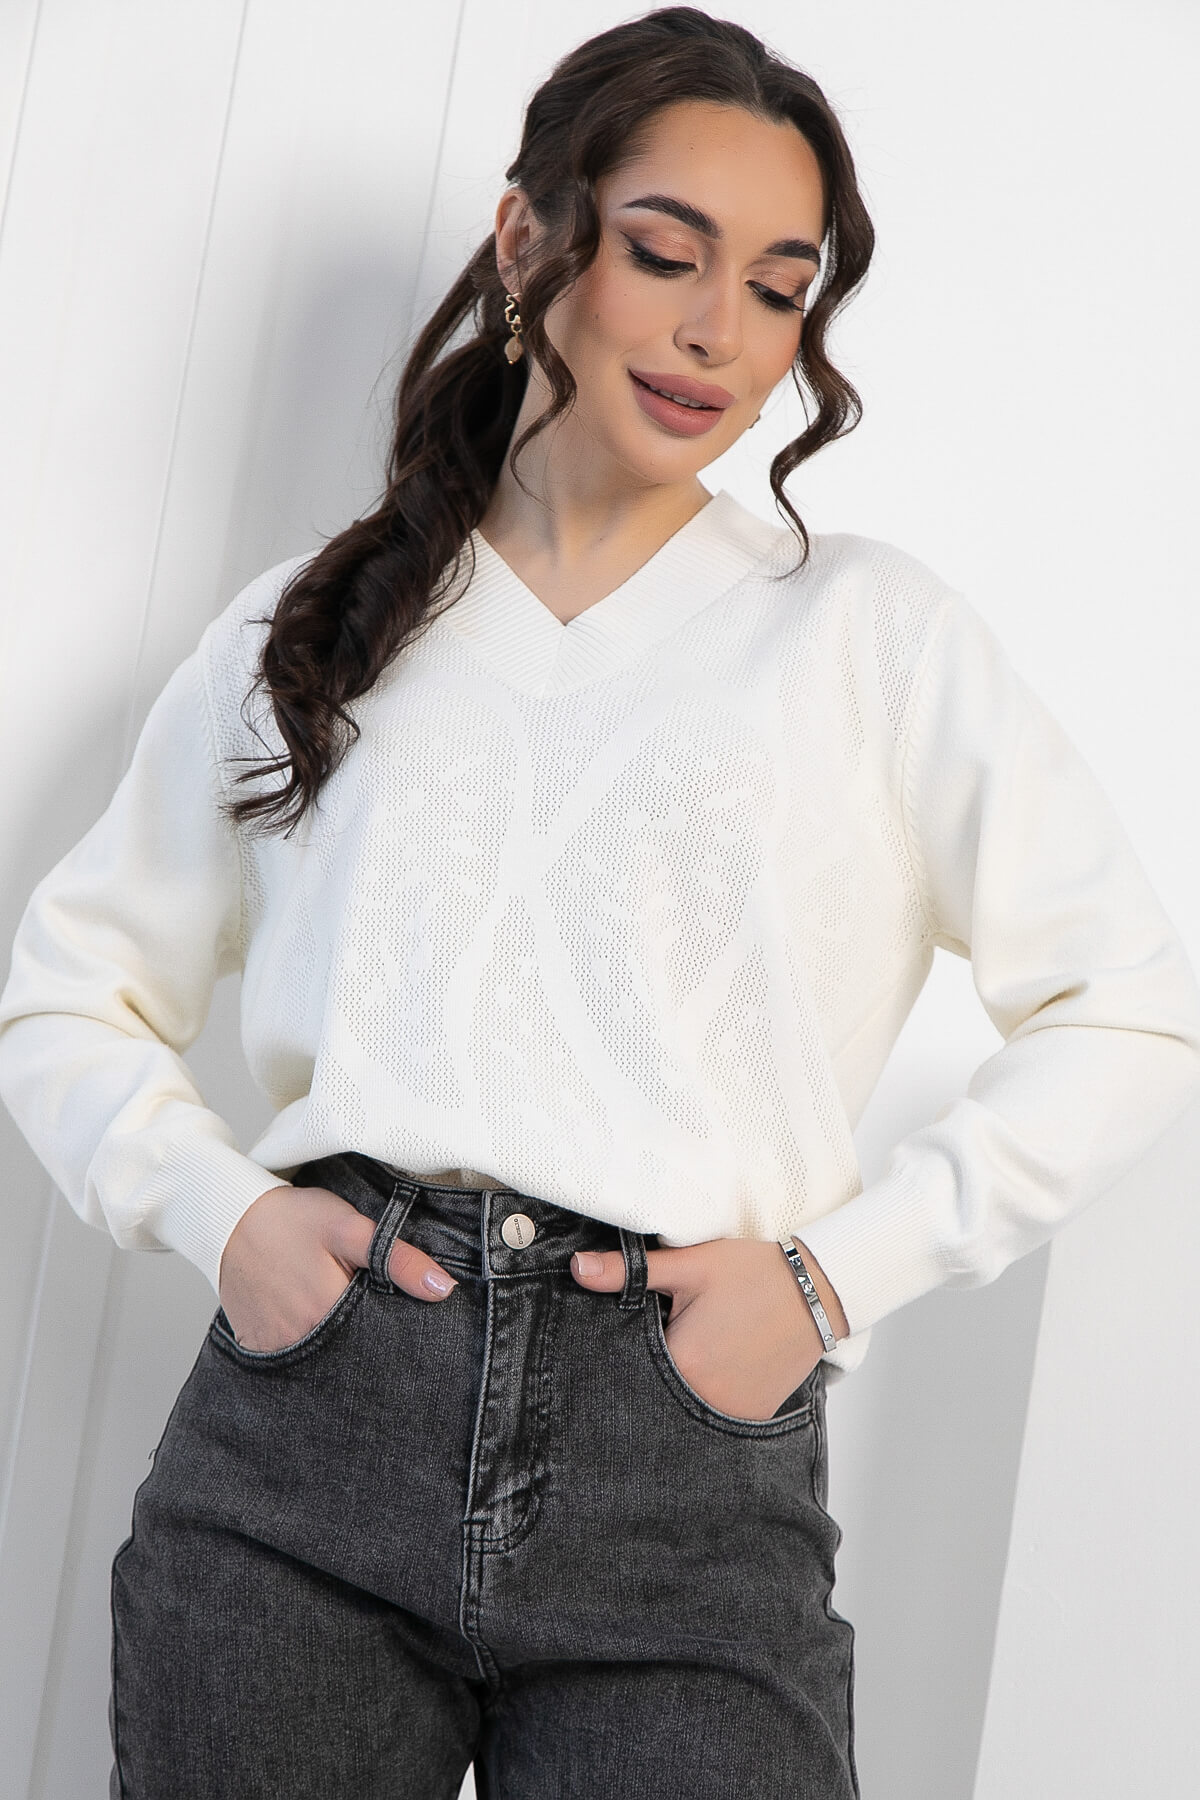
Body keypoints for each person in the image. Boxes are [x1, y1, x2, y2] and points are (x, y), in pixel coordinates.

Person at [1, 6, 1198, 1796]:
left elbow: (1128, 1005)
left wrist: (830, 1282)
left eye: (781, 288)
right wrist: (222, 1216)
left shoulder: (868, 635)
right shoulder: (313, 624)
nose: (722, 331)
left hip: (685, 1458)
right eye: (665, 253)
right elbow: (69, 990)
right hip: (308, 1447)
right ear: (527, 239)